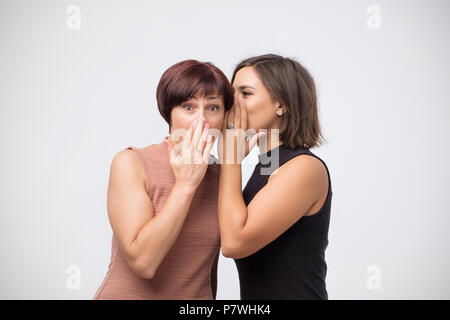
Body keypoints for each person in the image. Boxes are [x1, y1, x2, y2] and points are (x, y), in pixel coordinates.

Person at [94, 59, 233, 299]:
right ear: (169, 113)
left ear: (224, 117)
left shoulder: (222, 175)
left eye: (212, 108)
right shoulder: (131, 163)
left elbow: (207, 268)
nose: (201, 120)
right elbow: (144, 262)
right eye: (188, 107)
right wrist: (185, 186)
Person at [218, 54, 332, 299]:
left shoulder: (304, 168)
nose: (232, 103)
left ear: (282, 104)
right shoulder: (266, 166)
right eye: (231, 93)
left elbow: (234, 243)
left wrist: (230, 158)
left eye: (245, 93)